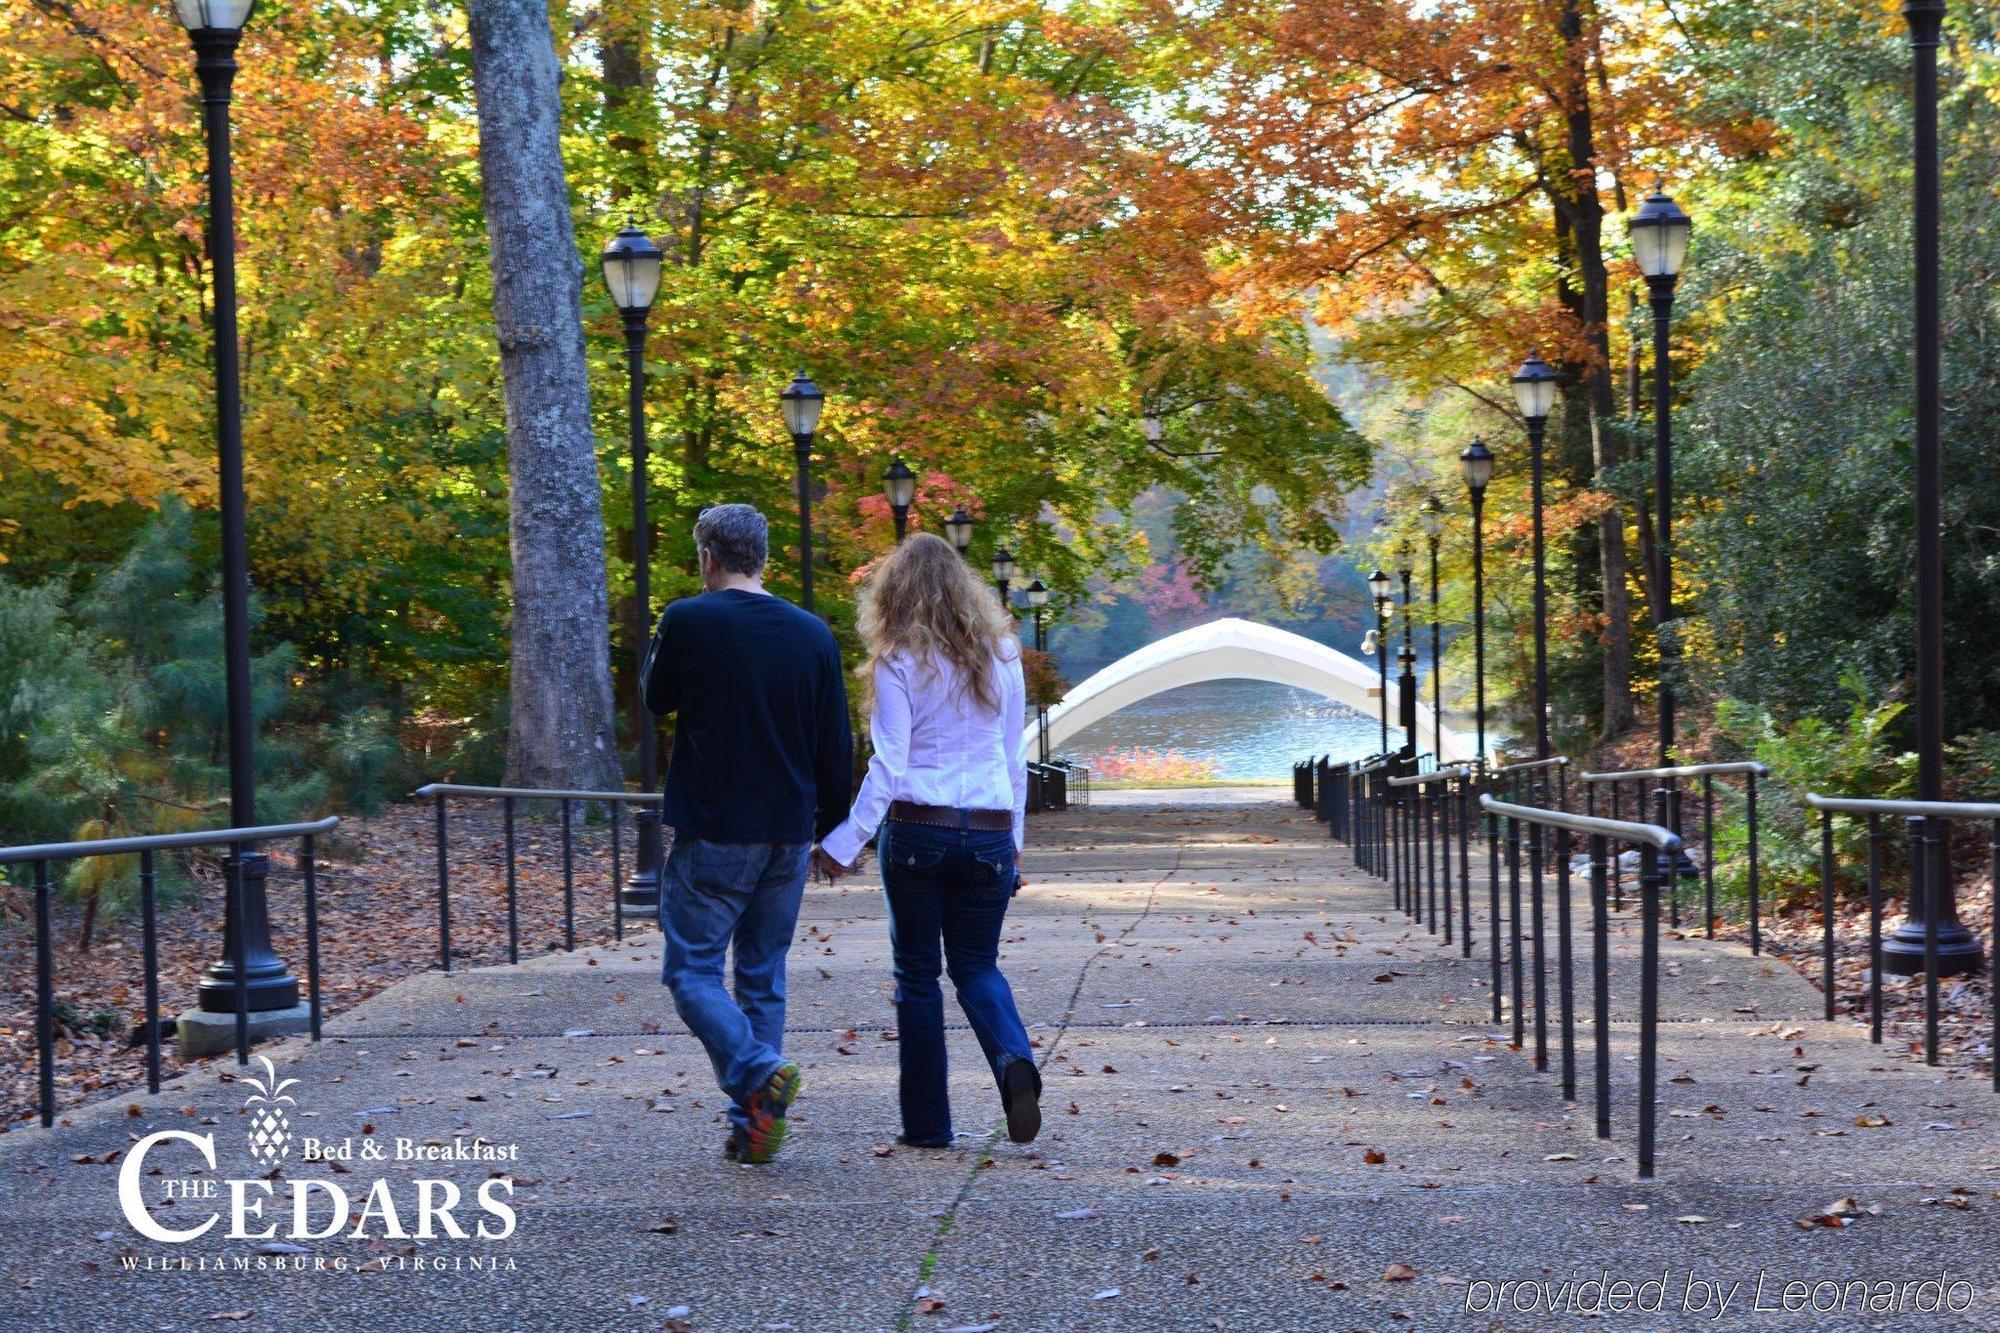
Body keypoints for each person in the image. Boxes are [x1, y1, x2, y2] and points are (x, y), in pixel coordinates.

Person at [643, 504, 852, 1164]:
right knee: (762, 975)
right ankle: (753, 1123)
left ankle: (758, 1071)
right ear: (762, 556)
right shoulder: (812, 634)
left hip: (715, 827)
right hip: (788, 833)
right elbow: (835, 745)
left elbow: (655, 698)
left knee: (691, 972)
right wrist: (831, 831)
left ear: (708, 554)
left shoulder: (688, 620)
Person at [818, 533, 1041, 1148]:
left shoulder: (897, 660)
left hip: (919, 829)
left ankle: (927, 1125)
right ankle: (1013, 1058)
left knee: (918, 977)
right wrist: (1015, 842)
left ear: (893, 595)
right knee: (976, 965)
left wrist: (845, 843)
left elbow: (888, 766)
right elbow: (1012, 758)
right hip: (991, 832)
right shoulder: (1002, 653)